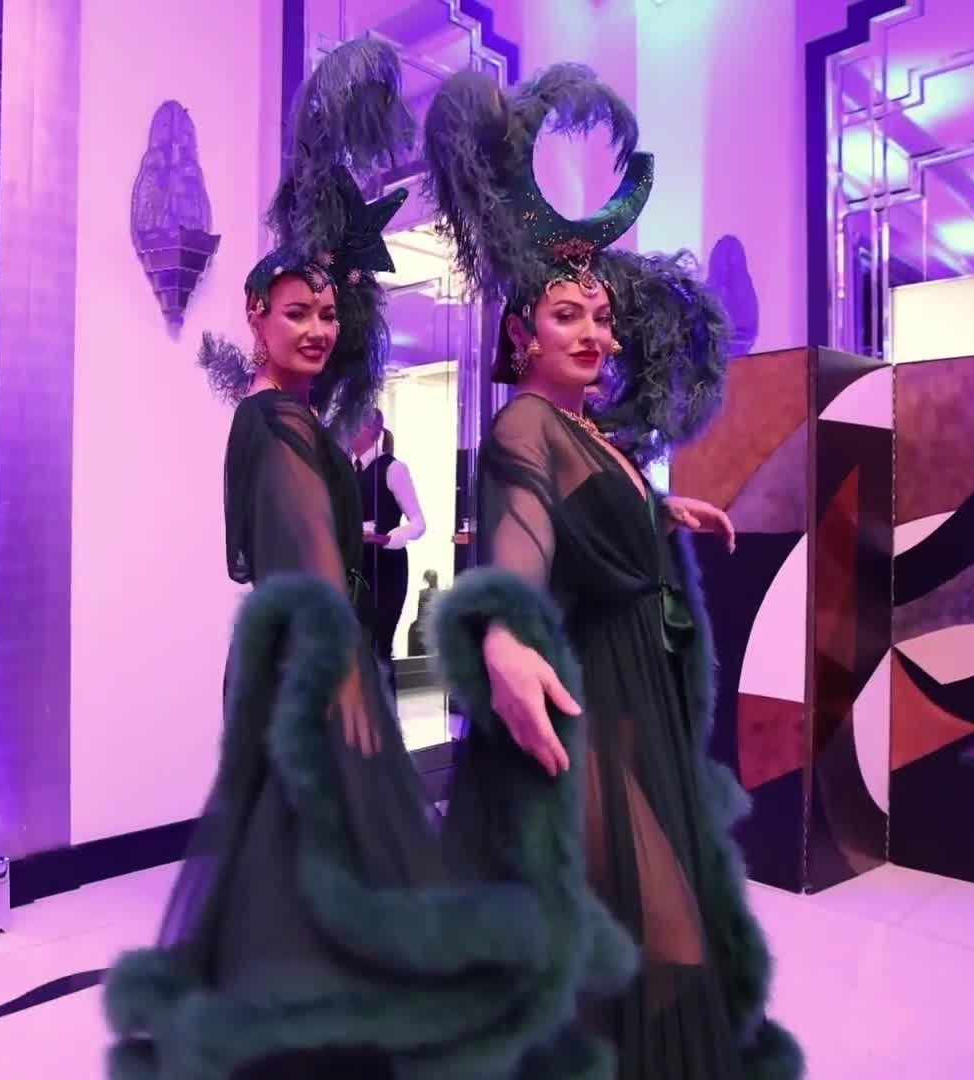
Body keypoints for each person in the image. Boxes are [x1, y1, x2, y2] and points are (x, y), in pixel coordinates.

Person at [103, 39, 633, 1080]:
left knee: (294, 858)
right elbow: (303, 551)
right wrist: (342, 671)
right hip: (312, 665)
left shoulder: (292, 418)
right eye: (295, 312)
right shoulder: (277, 425)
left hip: (294, 661)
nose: (315, 328)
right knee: (324, 849)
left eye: (326, 314)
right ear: (254, 317)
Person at [421, 66, 803, 1079]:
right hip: (583, 690)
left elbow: (585, 513)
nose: (593, 332)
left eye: (599, 315)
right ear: (520, 334)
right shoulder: (524, 424)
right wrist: (503, 633)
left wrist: (656, 510)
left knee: (631, 931)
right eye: (566, 316)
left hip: (636, 697)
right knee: (638, 933)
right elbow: (521, 538)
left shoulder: (590, 431)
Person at [346, 408, 425, 689]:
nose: (349, 429)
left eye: (356, 424)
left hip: (387, 568)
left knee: (379, 646)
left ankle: (386, 713)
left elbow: (418, 523)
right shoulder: (346, 471)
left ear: (373, 431)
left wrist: (388, 538)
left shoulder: (393, 469)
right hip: (355, 567)